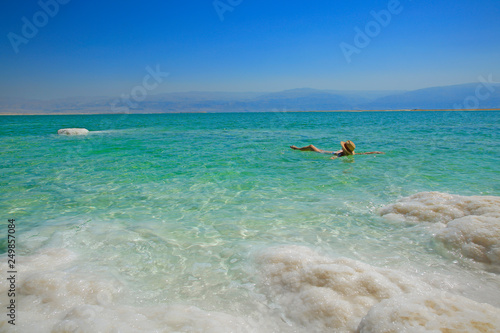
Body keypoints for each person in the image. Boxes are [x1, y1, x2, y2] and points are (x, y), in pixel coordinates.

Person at [290, 140, 384, 159]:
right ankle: (297, 148)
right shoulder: (352, 154)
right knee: (311, 147)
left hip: (323, 153)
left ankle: (297, 148)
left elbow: (338, 156)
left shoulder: (342, 154)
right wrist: (375, 152)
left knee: (311, 146)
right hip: (328, 152)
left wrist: (333, 158)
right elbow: (364, 153)